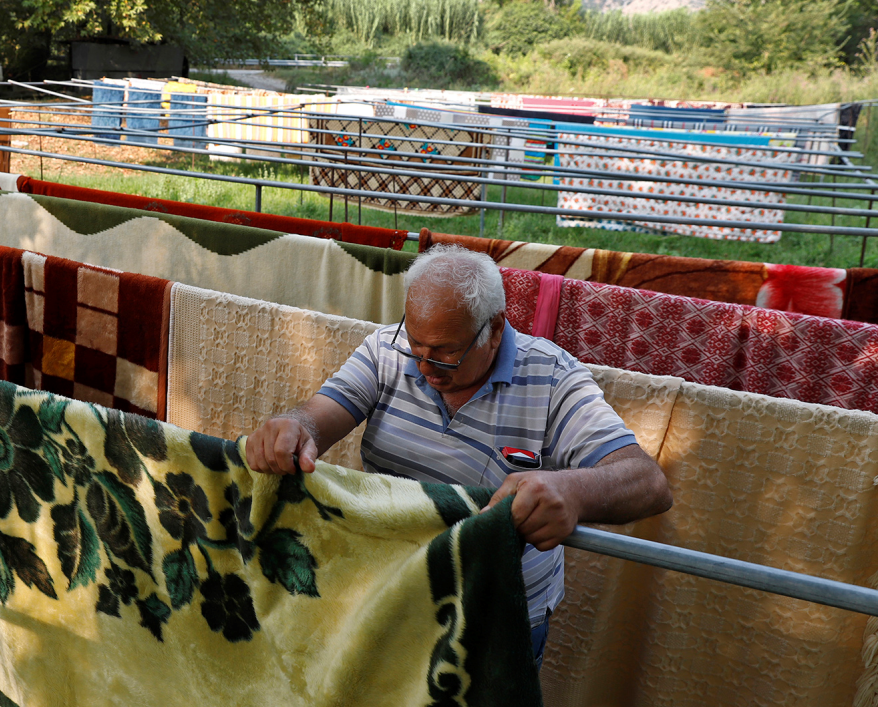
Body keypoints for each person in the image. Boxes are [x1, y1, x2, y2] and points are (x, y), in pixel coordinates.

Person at [247, 244, 672, 669]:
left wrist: (571, 491)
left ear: (495, 329)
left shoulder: (553, 380)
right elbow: (318, 417)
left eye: (447, 351)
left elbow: (647, 481)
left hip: (494, 614)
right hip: (387, 590)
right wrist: (294, 427)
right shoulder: (385, 352)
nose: (425, 366)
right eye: (416, 344)